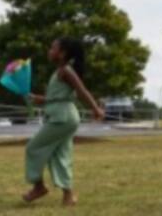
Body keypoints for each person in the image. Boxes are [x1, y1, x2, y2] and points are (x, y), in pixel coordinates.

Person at [22, 37, 105, 206]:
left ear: (62, 53)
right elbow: (58, 97)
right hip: (64, 117)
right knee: (60, 155)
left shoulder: (66, 71)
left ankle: (39, 187)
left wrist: (95, 109)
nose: (49, 51)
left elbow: (81, 91)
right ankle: (69, 196)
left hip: (63, 118)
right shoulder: (60, 71)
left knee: (33, 148)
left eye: (53, 48)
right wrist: (39, 98)